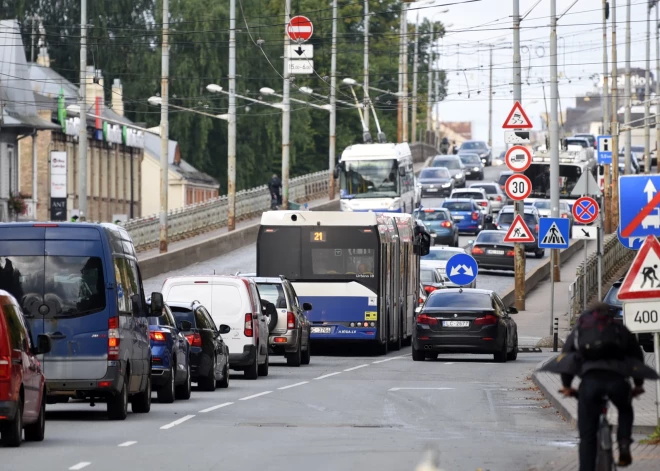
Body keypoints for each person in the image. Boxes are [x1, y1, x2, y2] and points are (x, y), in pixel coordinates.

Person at [559, 301, 646, 470]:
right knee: (625, 408)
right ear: (610, 314)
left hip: (590, 383)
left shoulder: (580, 331)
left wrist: (567, 385)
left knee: (588, 436)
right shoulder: (620, 329)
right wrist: (638, 384)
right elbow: (637, 357)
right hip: (618, 381)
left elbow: (567, 359)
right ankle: (624, 443)